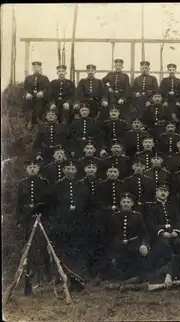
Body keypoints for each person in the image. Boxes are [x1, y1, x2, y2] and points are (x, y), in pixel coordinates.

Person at [16, 160, 51, 294]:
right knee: (28, 250)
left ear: (38, 169)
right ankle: (28, 281)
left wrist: (43, 215)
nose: (32, 169)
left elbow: (48, 203)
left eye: (34, 167)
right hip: (27, 221)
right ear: (26, 169)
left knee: (42, 247)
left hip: (41, 220)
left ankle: (45, 273)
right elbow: (18, 204)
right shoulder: (22, 184)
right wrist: (19, 220)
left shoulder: (44, 183)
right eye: (29, 167)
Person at [99, 193, 150, 281]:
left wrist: (144, 244)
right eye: (124, 202)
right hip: (118, 246)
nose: (126, 204)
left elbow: (144, 233)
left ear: (132, 204)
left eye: (128, 202)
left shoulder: (138, 216)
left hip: (134, 245)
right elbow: (109, 235)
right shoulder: (114, 217)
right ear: (120, 203)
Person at [144, 181, 180, 277]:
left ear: (168, 193)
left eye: (165, 191)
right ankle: (165, 272)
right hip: (158, 234)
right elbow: (151, 223)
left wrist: (176, 231)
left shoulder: (172, 205)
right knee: (164, 244)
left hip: (173, 232)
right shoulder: (151, 206)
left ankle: (179, 271)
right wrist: (161, 232)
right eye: (161, 190)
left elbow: (178, 220)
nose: (163, 193)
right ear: (156, 192)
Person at [23, 61, 51, 128]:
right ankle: (29, 120)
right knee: (27, 102)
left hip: (41, 98)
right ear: (32, 68)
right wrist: (27, 94)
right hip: (30, 97)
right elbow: (24, 89)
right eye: (34, 67)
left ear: (40, 68)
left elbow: (48, 88)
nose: (36, 68)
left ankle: (37, 119)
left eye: (38, 67)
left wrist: (42, 92)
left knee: (39, 101)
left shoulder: (45, 78)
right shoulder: (28, 78)